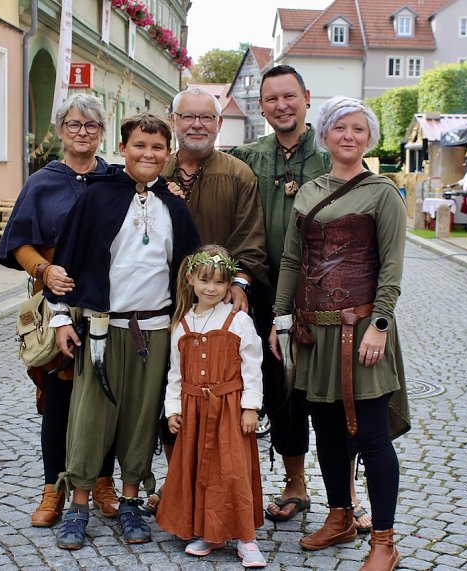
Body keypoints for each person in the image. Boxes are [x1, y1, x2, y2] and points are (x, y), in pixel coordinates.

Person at [45, 113, 201, 549]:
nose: (147, 154)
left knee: (138, 420)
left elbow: (192, 266)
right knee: (90, 420)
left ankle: (130, 501)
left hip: (155, 329)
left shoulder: (174, 204)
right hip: (102, 328)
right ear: (123, 149)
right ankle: (78, 504)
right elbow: (66, 260)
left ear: (167, 154)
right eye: (139, 146)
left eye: (156, 148)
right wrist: (60, 318)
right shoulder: (97, 199)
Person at [270, 96, 410, 571]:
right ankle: (340, 517)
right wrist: (281, 318)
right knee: (327, 433)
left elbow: (391, 269)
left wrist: (381, 326)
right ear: (325, 134)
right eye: (340, 128)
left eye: (358, 129)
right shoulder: (308, 192)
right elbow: (292, 261)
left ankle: (385, 542)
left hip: (362, 332)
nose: (348, 136)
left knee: (371, 437)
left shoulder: (383, 193)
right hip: (315, 334)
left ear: (368, 138)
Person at [0, 93, 120, 528]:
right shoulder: (42, 182)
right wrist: (44, 271)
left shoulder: (116, 180)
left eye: (91, 126)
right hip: (57, 306)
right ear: (61, 130)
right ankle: (53, 489)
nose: (82, 132)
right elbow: (16, 244)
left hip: (108, 305)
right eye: (74, 124)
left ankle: (104, 482)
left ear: (102, 132)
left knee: (106, 394)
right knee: (59, 400)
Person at [150, 86, 269, 513]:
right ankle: (174, 480)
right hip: (158, 301)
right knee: (167, 392)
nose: (197, 125)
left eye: (206, 118)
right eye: (189, 117)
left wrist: (238, 282)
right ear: (174, 120)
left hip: (215, 308)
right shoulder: (152, 168)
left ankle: (217, 484)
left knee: (215, 395)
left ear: (218, 124)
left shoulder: (237, 174)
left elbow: (251, 237)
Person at [228, 64, 331, 524]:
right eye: (271, 99)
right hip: (264, 294)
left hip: (325, 296)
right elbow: (193, 170)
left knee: (331, 393)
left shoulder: (332, 153)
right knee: (280, 389)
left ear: (306, 97)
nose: (281, 106)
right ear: (261, 105)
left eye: (289, 97)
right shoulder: (248, 157)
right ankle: (295, 484)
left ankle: (345, 494)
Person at [156, 245, 266, 568]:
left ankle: (246, 539)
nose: (211, 289)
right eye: (205, 281)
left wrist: (250, 408)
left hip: (229, 411)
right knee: (201, 473)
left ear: (228, 283)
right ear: (191, 279)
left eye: (219, 282)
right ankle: (209, 530)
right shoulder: (183, 325)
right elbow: (174, 373)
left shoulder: (238, 321)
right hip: (195, 412)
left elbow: (252, 367)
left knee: (232, 472)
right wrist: (173, 409)